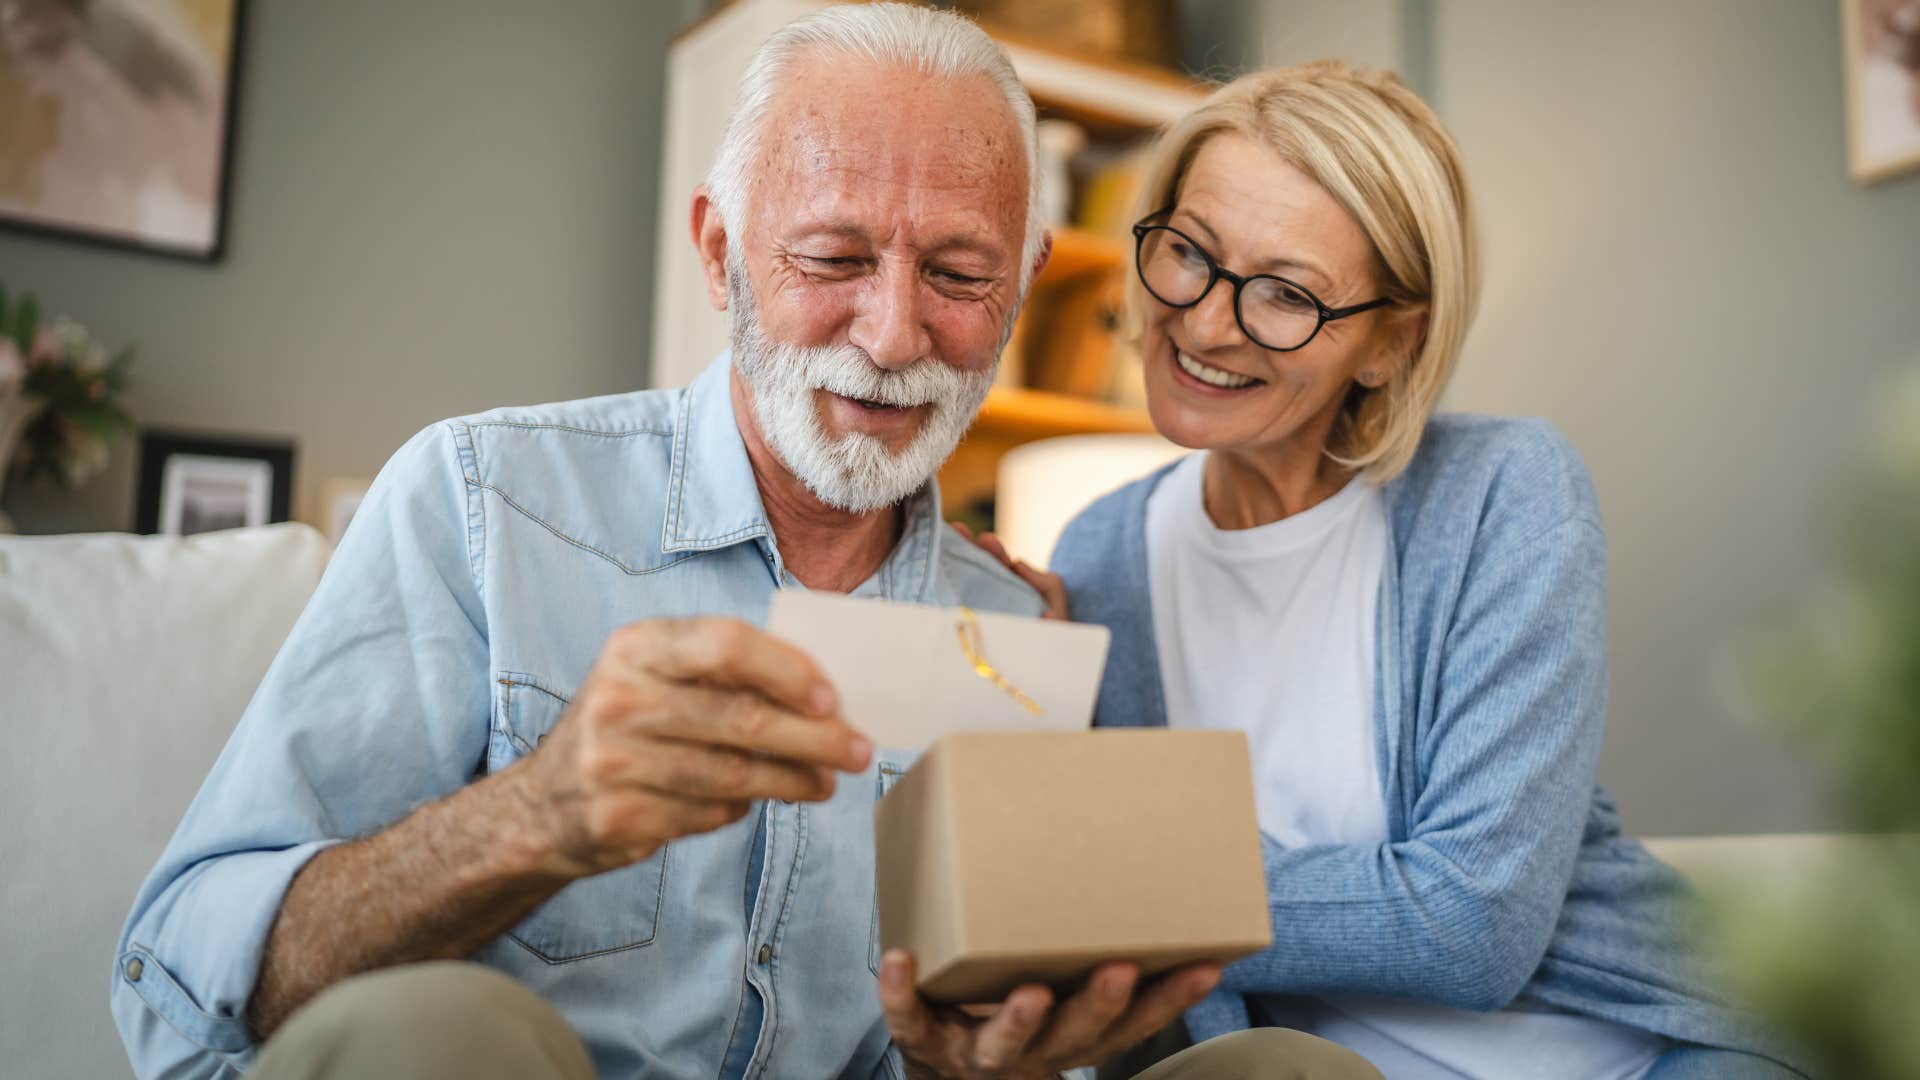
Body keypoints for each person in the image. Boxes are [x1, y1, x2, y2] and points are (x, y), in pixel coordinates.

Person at [108, 6, 1305, 1079]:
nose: (895, 337)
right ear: (722, 251)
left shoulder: (1015, 632)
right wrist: (531, 818)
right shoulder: (482, 500)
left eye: (958, 273)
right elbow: (175, 984)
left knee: (1286, 1071)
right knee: (448, 1037)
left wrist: (985, 1066)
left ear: (1027, 281)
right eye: (832, 259)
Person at [970, 62, 1809, 1079]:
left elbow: (1475, 925)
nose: (1206, 321)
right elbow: (1105, 932)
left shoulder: (1505, 489)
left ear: (1389, 343)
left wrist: (1150, 888)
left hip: (1638, 1058)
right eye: (1190, 253)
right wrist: (1030, 715)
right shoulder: (1099, 554)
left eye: (1287, 293)